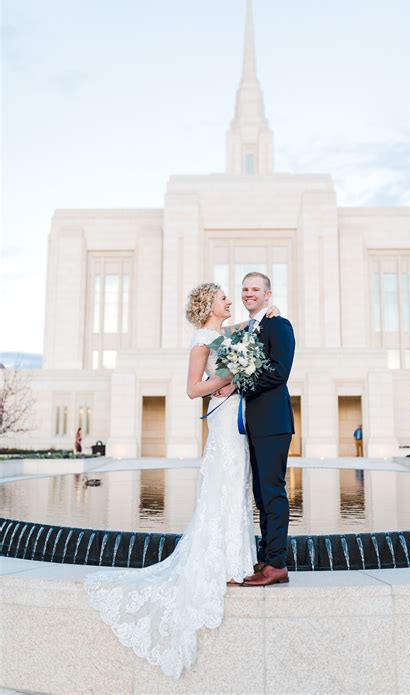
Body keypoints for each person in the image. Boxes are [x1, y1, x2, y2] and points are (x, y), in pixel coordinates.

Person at [84, 283, 283, 679]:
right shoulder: (202, 340)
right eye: (224, 297)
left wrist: (269, 312)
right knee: (223, 486)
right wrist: (226, 381)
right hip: (224, 420)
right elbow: (193, 389)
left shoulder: (226, 334)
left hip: (236, 422)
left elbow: (248, 331)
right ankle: (223, 559)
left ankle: (236, 558)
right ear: (210, 305)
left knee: (236, 487)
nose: (230, 300)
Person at [214, 272, 295, 586]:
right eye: (245, 289)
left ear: (268, 294)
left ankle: (277, 564)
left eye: (255, 289)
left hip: (273, 423)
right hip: (252, 423)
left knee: (273, 494)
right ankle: (265, 557)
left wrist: (239, 383)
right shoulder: (245, 330)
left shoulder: (279, 325)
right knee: (261, 495)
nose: (248, 294)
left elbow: (279, 373)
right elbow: (215, 336)